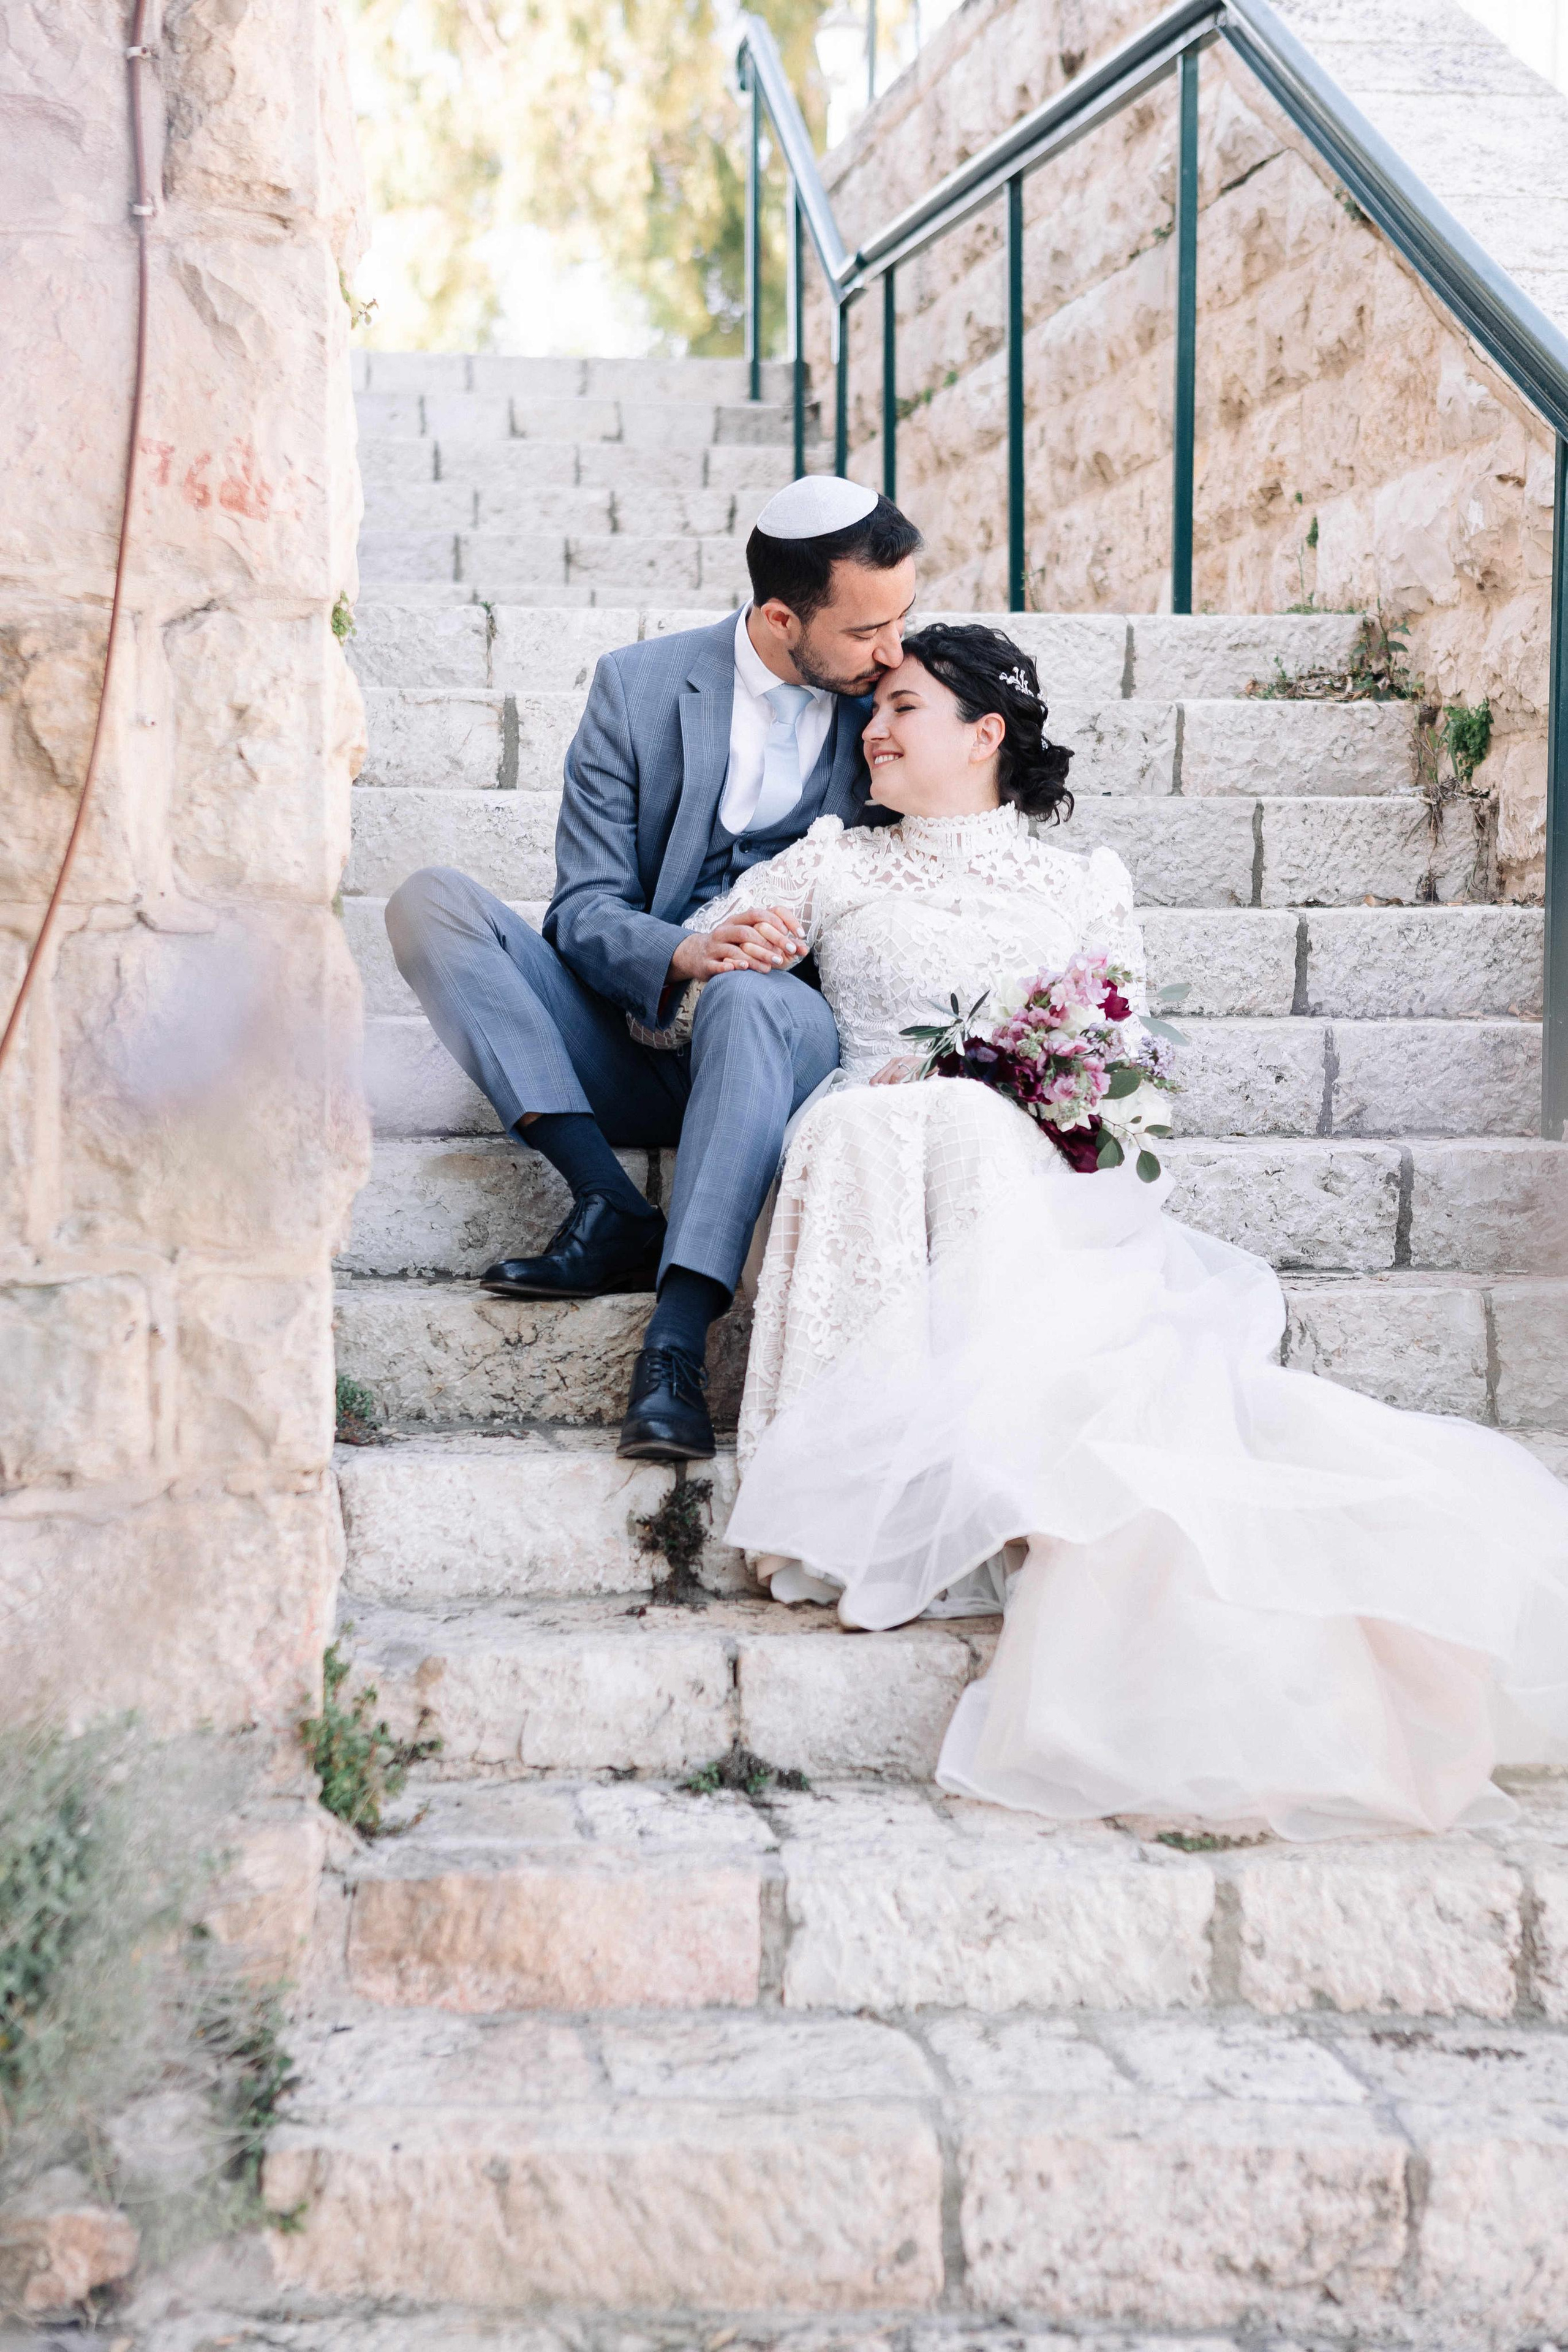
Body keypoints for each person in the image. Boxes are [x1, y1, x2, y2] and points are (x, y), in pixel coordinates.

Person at [684, 620, 1568, 1840]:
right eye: (870, 711)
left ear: (985, 733)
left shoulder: (1079, 881)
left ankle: (987, 1482)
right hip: (871, 1137)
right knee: (873, 1131)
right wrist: (730, 955)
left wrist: (990, 1068)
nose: (871, 731)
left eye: (899, 709)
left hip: (1026, 1164)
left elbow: (1123, 1073)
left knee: (959, 1128)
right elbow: (693, 990)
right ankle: (875, 1491)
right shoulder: (834, 860)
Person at [385, 478, 921, 1464]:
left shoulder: (893, 702)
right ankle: (610, 1204)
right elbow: (582, 909)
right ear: (777, 616)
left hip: (779, 1043)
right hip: (633, 1031)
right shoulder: (636, 687)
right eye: (866, 631)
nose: (892, 652)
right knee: (430, 900)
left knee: (755, 1001)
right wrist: (678, 951)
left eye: (903, 620)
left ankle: (673, 1342)